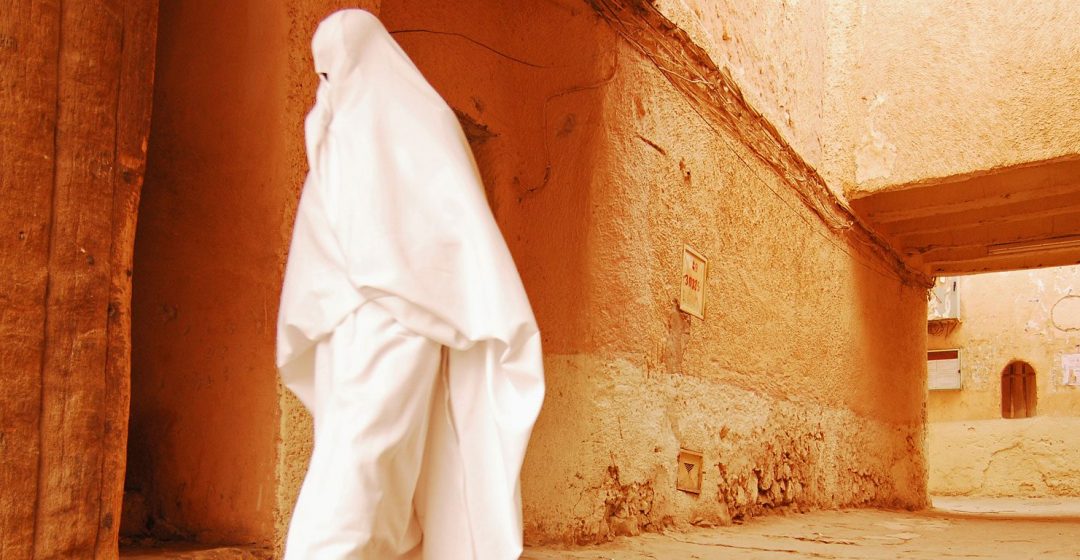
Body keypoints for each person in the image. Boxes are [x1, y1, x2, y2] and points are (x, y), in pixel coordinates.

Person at [275, 9, 545, 559]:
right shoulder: (341, 126)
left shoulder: (415, 124)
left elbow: (453, 234)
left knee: (366, 469)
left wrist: (424, 294)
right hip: (346, 327)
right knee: (361, 468)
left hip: (401, 327)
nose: (326, 86)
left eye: (331, 70)